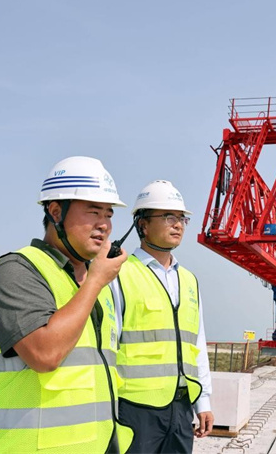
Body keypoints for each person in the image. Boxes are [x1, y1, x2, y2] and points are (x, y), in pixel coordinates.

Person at [0, 156, 134, 454]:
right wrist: (95, 283)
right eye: (93, 211)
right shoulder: (15, 270)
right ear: (56, 212)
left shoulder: (97, 281)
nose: (104, 225)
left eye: (109, 214)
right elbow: (44, 354)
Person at [111, 180, 213, 454]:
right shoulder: (120, 273)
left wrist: (203, 402)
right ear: (142, 225)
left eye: (182, 218)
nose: (178, 224)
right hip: (134, 410)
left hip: (181, 408)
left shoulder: (189, 280)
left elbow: (197, 344)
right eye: (169, 217)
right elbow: (108, 346)